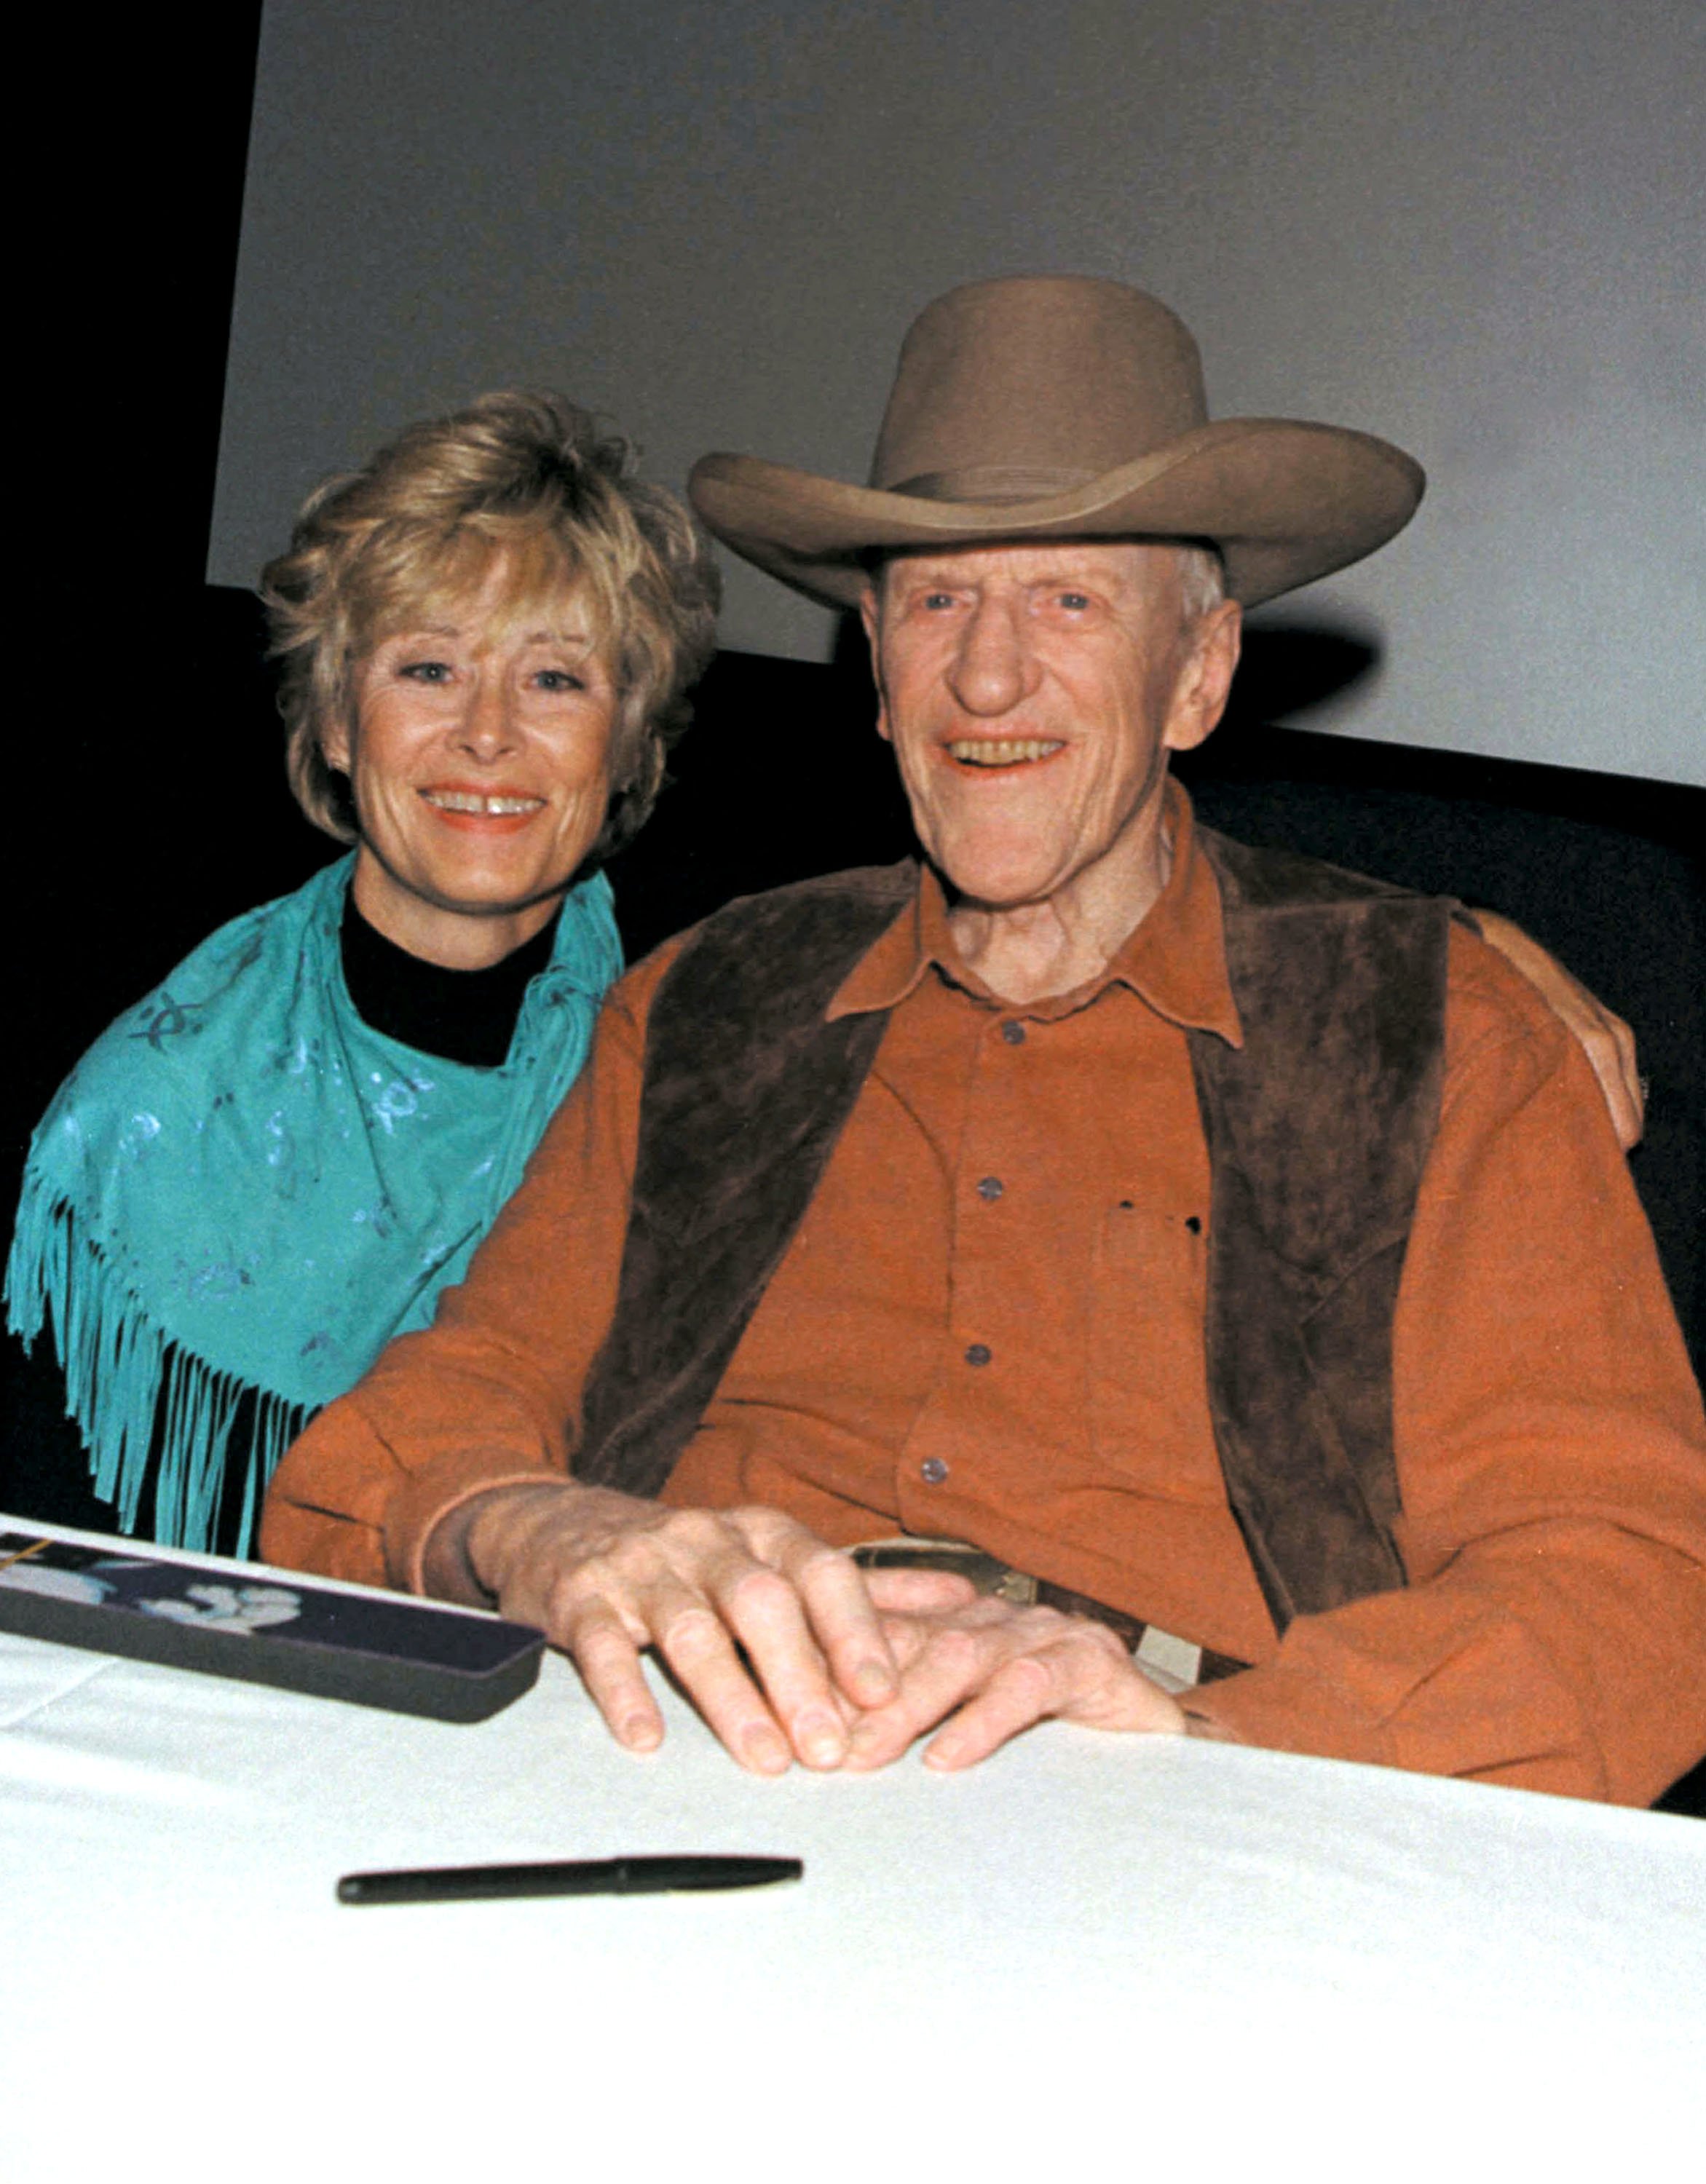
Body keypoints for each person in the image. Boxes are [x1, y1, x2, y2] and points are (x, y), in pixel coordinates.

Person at [261, 278, 1706, 1804]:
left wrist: (1218, 1741)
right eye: (938, 602)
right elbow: (432, 1414)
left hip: (1167, 1812)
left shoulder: (1429, 1032)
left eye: (1068, 601)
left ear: (1197, 673)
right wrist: (527, 1527)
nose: (989, 676)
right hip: (672, 1753)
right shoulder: (704, 1004)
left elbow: (1630, 1581)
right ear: (874, 664)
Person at [5, 392, 719, 1556]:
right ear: (338, 724)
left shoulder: (699, 1075)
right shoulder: (148, 1114)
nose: (487, 734)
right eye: (429, 669)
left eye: (555, 680)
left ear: (631, 743)